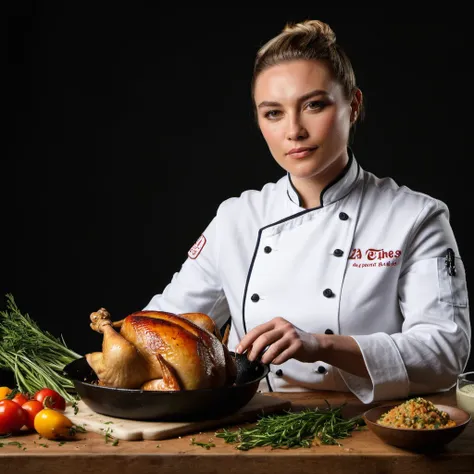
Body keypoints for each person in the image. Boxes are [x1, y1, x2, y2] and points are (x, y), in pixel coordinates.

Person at [143, 19, 471, 403]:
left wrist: (319, 346)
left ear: (353, 106)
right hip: (254, 426)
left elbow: (445, 354)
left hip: (372, 428)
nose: (294, 130)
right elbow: (162, 327)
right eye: (273, 113)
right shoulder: (237, 219)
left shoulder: (414, 217)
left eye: (313, 105)